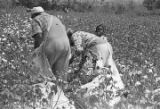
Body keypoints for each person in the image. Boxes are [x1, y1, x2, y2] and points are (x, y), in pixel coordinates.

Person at [28, 6, 71, 80]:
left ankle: (43, 90)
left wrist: (36, 52)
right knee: (60, 76)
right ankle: (62, 90)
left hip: (52, 45)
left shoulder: (36, 19)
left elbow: (38, 36)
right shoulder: (54, 18)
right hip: (66, 45)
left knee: (43, 73)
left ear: (33, 15)